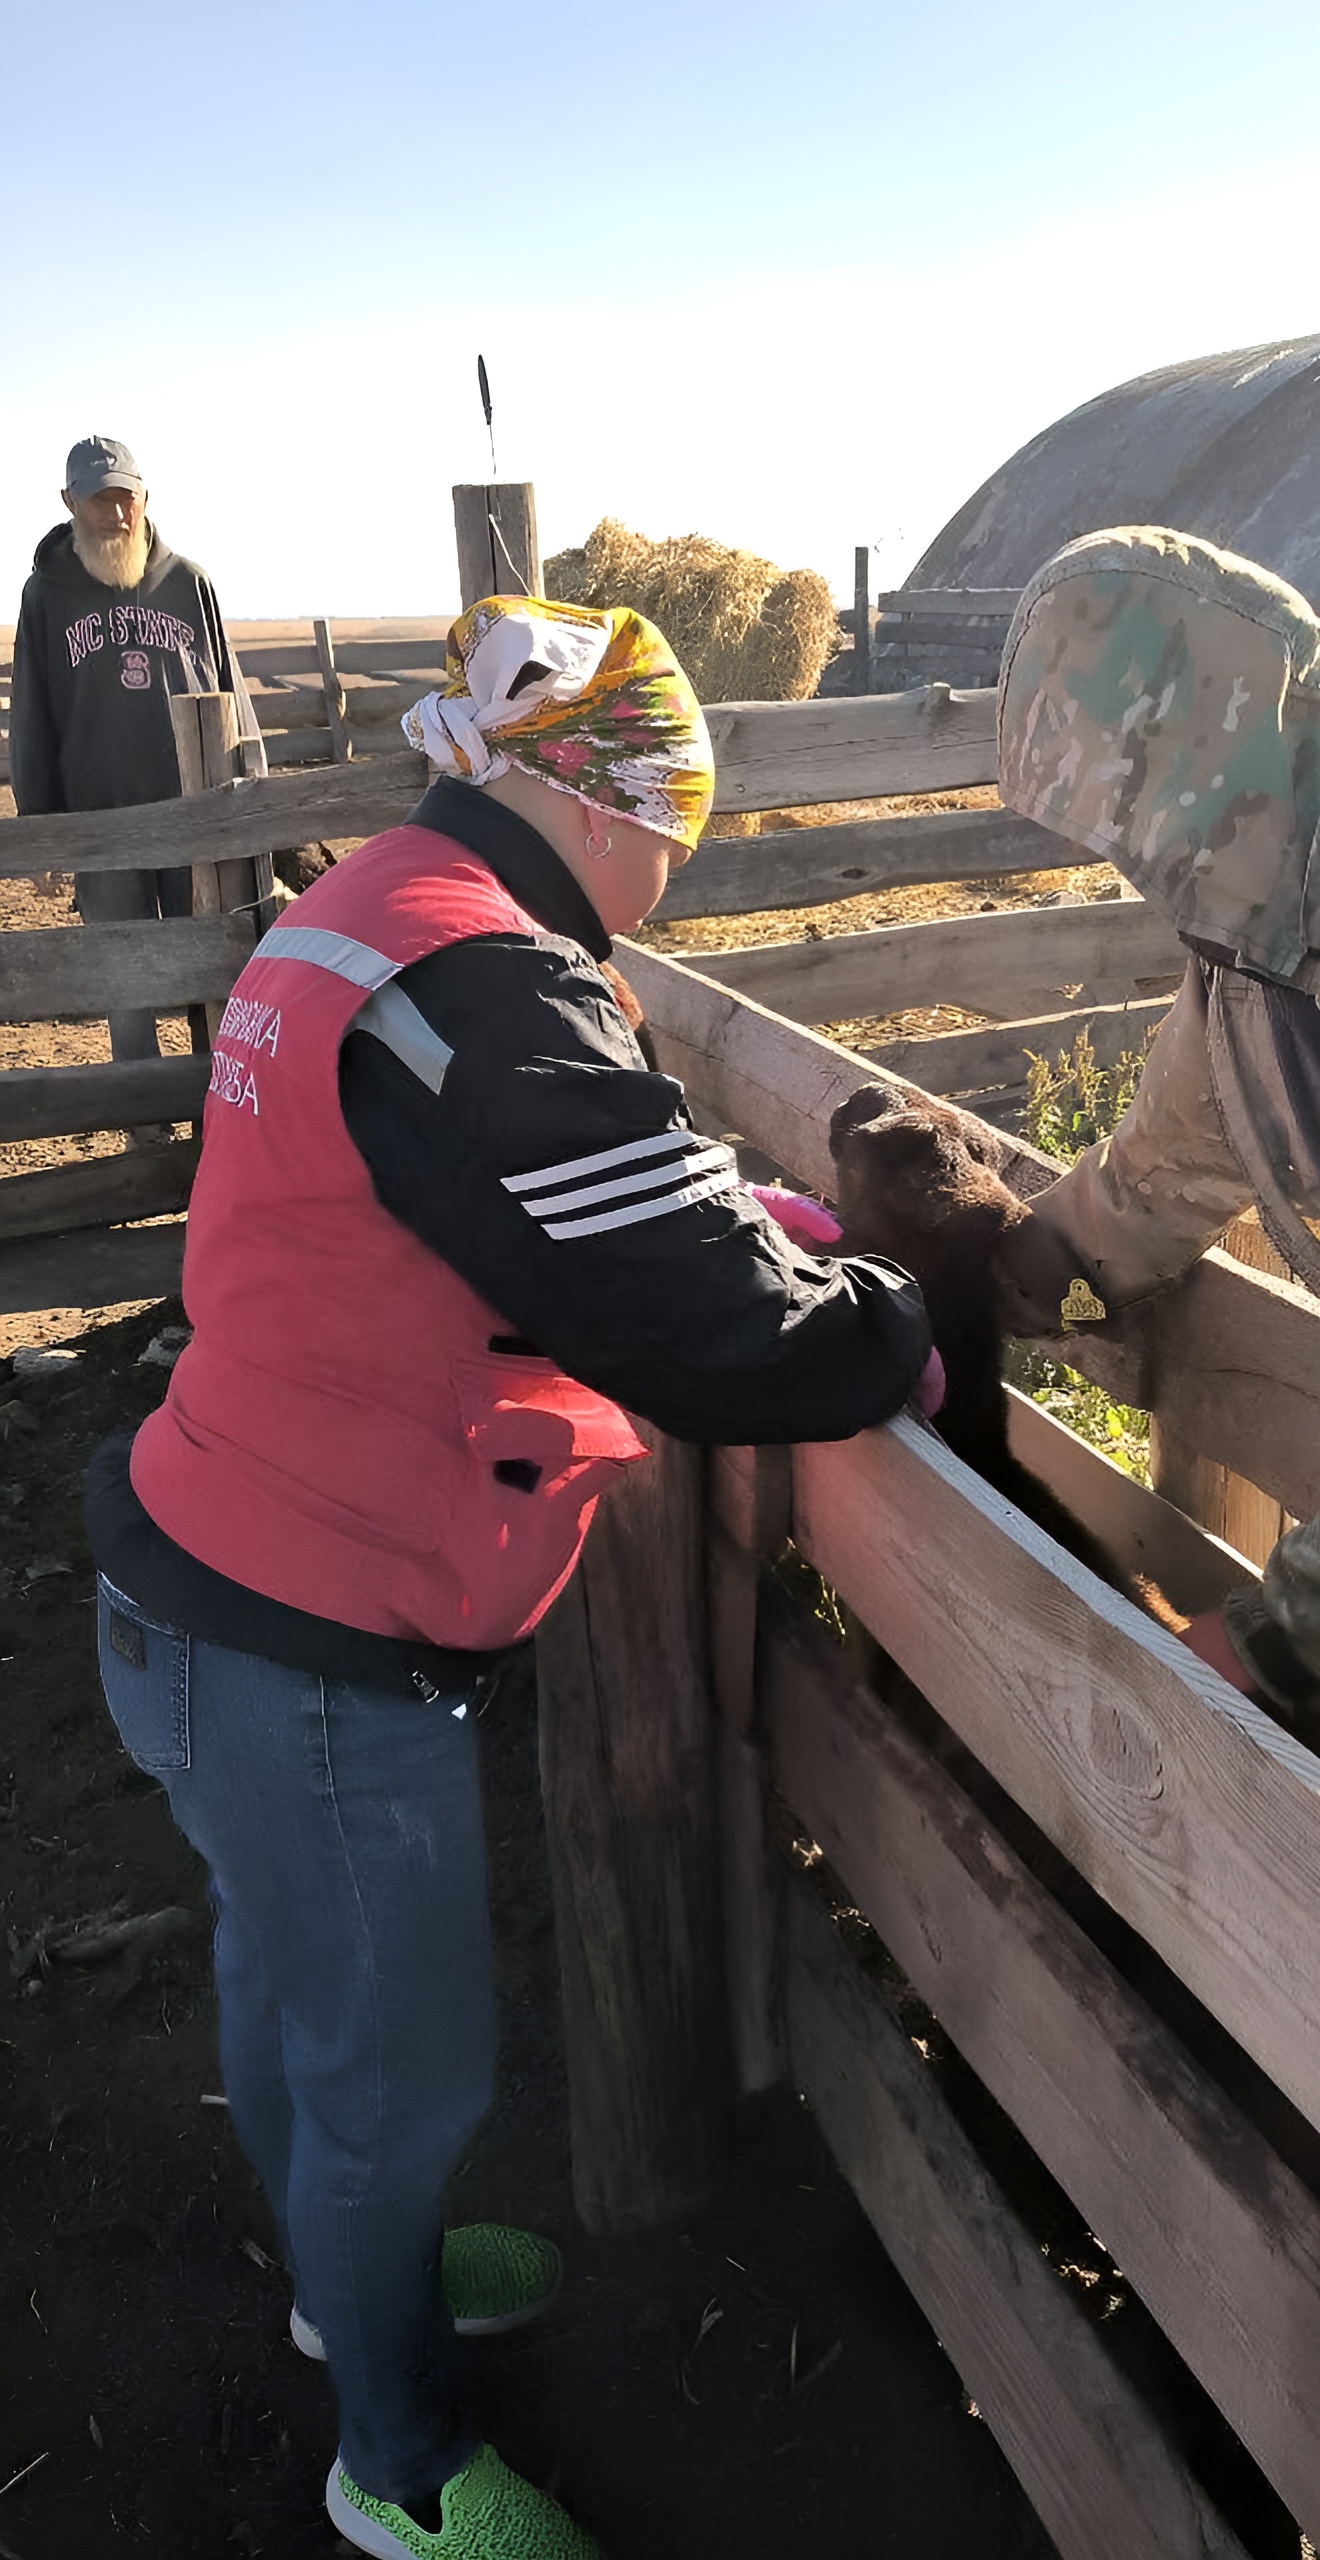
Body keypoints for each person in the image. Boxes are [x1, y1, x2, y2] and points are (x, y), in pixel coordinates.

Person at [85, 595, 939, 2560]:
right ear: (597, 797)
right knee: (400, 2052)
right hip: (306, 1631)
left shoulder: (377, 907)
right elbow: (698, 1315)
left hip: (205, 1560)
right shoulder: (486, 979)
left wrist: (732, 1197)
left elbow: (548, 1175)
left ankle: (336, 2270)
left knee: (280, 1968)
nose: (670, 876)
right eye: (674, 831)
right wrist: (885, 1325)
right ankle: (392, 2465)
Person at [993, 523, 1320, 1748]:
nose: (1140, 872)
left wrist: (1282, 1639)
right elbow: (1178, 1150)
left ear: (1206, 752)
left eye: (1143, 826)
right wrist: (1026, 1267)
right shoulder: (1268, 902)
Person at [10, 433, 264, 1060]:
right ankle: (143, 1126)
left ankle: (219, 1106)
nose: (116, 514)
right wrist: (41, 828)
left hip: (196, 818)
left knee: (214, 963)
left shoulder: (190, 584)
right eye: (100, 501)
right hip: (104, 826)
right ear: (69, 501)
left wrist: (256, 796)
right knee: (125, 978)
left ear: (146, 496)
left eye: (126, 497)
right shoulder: (45, 597)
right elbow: (34, 716)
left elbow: (230, 690)